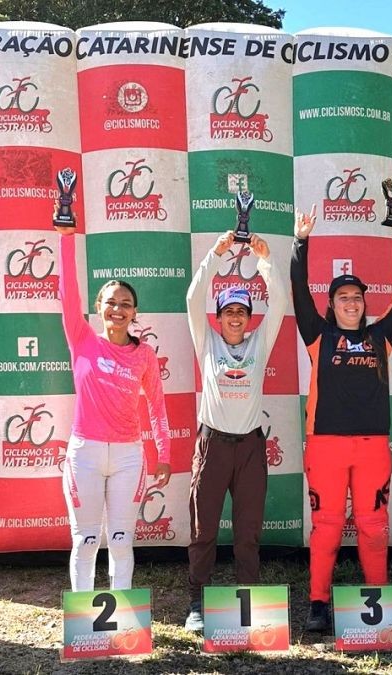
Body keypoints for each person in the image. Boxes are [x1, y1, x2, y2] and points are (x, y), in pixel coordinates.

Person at [290, 205, 392, 632]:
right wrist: (300, 243)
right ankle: (318, 604)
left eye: (357, 297)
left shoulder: (381, 336)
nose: (351, 302)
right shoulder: (318, 336)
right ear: (331, 305)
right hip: (325, 446)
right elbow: (298, 290)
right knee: (326, 527)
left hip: (372, 449)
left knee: (374, 527)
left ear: (365, 304)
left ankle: (378, 602)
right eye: (343, 297)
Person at [55, 213, 171, 592]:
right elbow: (67, 294)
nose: (117, 309)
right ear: (98, 307)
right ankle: (85, 616)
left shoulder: (144, 354)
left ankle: (121, 614)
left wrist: (164, 454)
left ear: (135, 312)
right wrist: (66, 239)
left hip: (128, 457)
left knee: (121, 541)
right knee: (86, 540)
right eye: (110, 302)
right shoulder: (82, 339)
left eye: (126, 304)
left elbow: (156, 406)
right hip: (84, 454)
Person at [182, 230, 287, 632]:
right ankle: (197, 602)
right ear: (219, 317)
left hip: (249, 448)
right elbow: (193, 298)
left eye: (242, 311)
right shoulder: (206, 342)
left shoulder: (260, 343)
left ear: (249, 317)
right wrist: (216, 253)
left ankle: (250, 601)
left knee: (247, 532)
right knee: (203, 529)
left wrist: (265, 261)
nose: (236, 317)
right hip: (212, 445)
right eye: (229, 311)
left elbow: (279, 302)